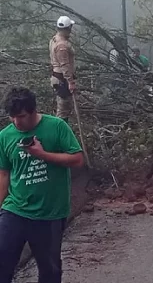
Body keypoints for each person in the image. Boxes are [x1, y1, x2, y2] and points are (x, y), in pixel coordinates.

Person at [0, 87, 84, 283]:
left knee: (50, 270)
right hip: (15, 209)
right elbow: (3, 173)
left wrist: (42, 155)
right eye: (12, 117)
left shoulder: (56, 126)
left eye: (21, 116)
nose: (16, 122)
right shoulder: (5, 136)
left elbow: (78, 159)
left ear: (33, 110)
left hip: (50, 213)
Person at [49, 16, 77, 122]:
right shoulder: (62, 46)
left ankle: (62, 130)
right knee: (63, 110)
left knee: (63, 108)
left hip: (57, 77)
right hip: (62, 79)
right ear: (68, 28)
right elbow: (64, 64)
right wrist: (70, 81)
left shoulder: (54, 39)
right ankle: (61, 132)